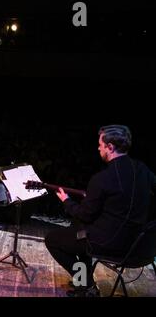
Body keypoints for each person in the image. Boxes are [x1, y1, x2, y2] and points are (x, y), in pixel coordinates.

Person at [45, 125, 156, 297]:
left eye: (100, 145)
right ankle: (83, 285)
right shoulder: (144, 170)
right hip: (140, 246)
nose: (98, 148)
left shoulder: (102, 178)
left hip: (112, 245)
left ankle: (87, 284)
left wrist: (66, 201)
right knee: (79, 231)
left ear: (110, 147)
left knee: (53, 239)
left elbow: (84, 214)